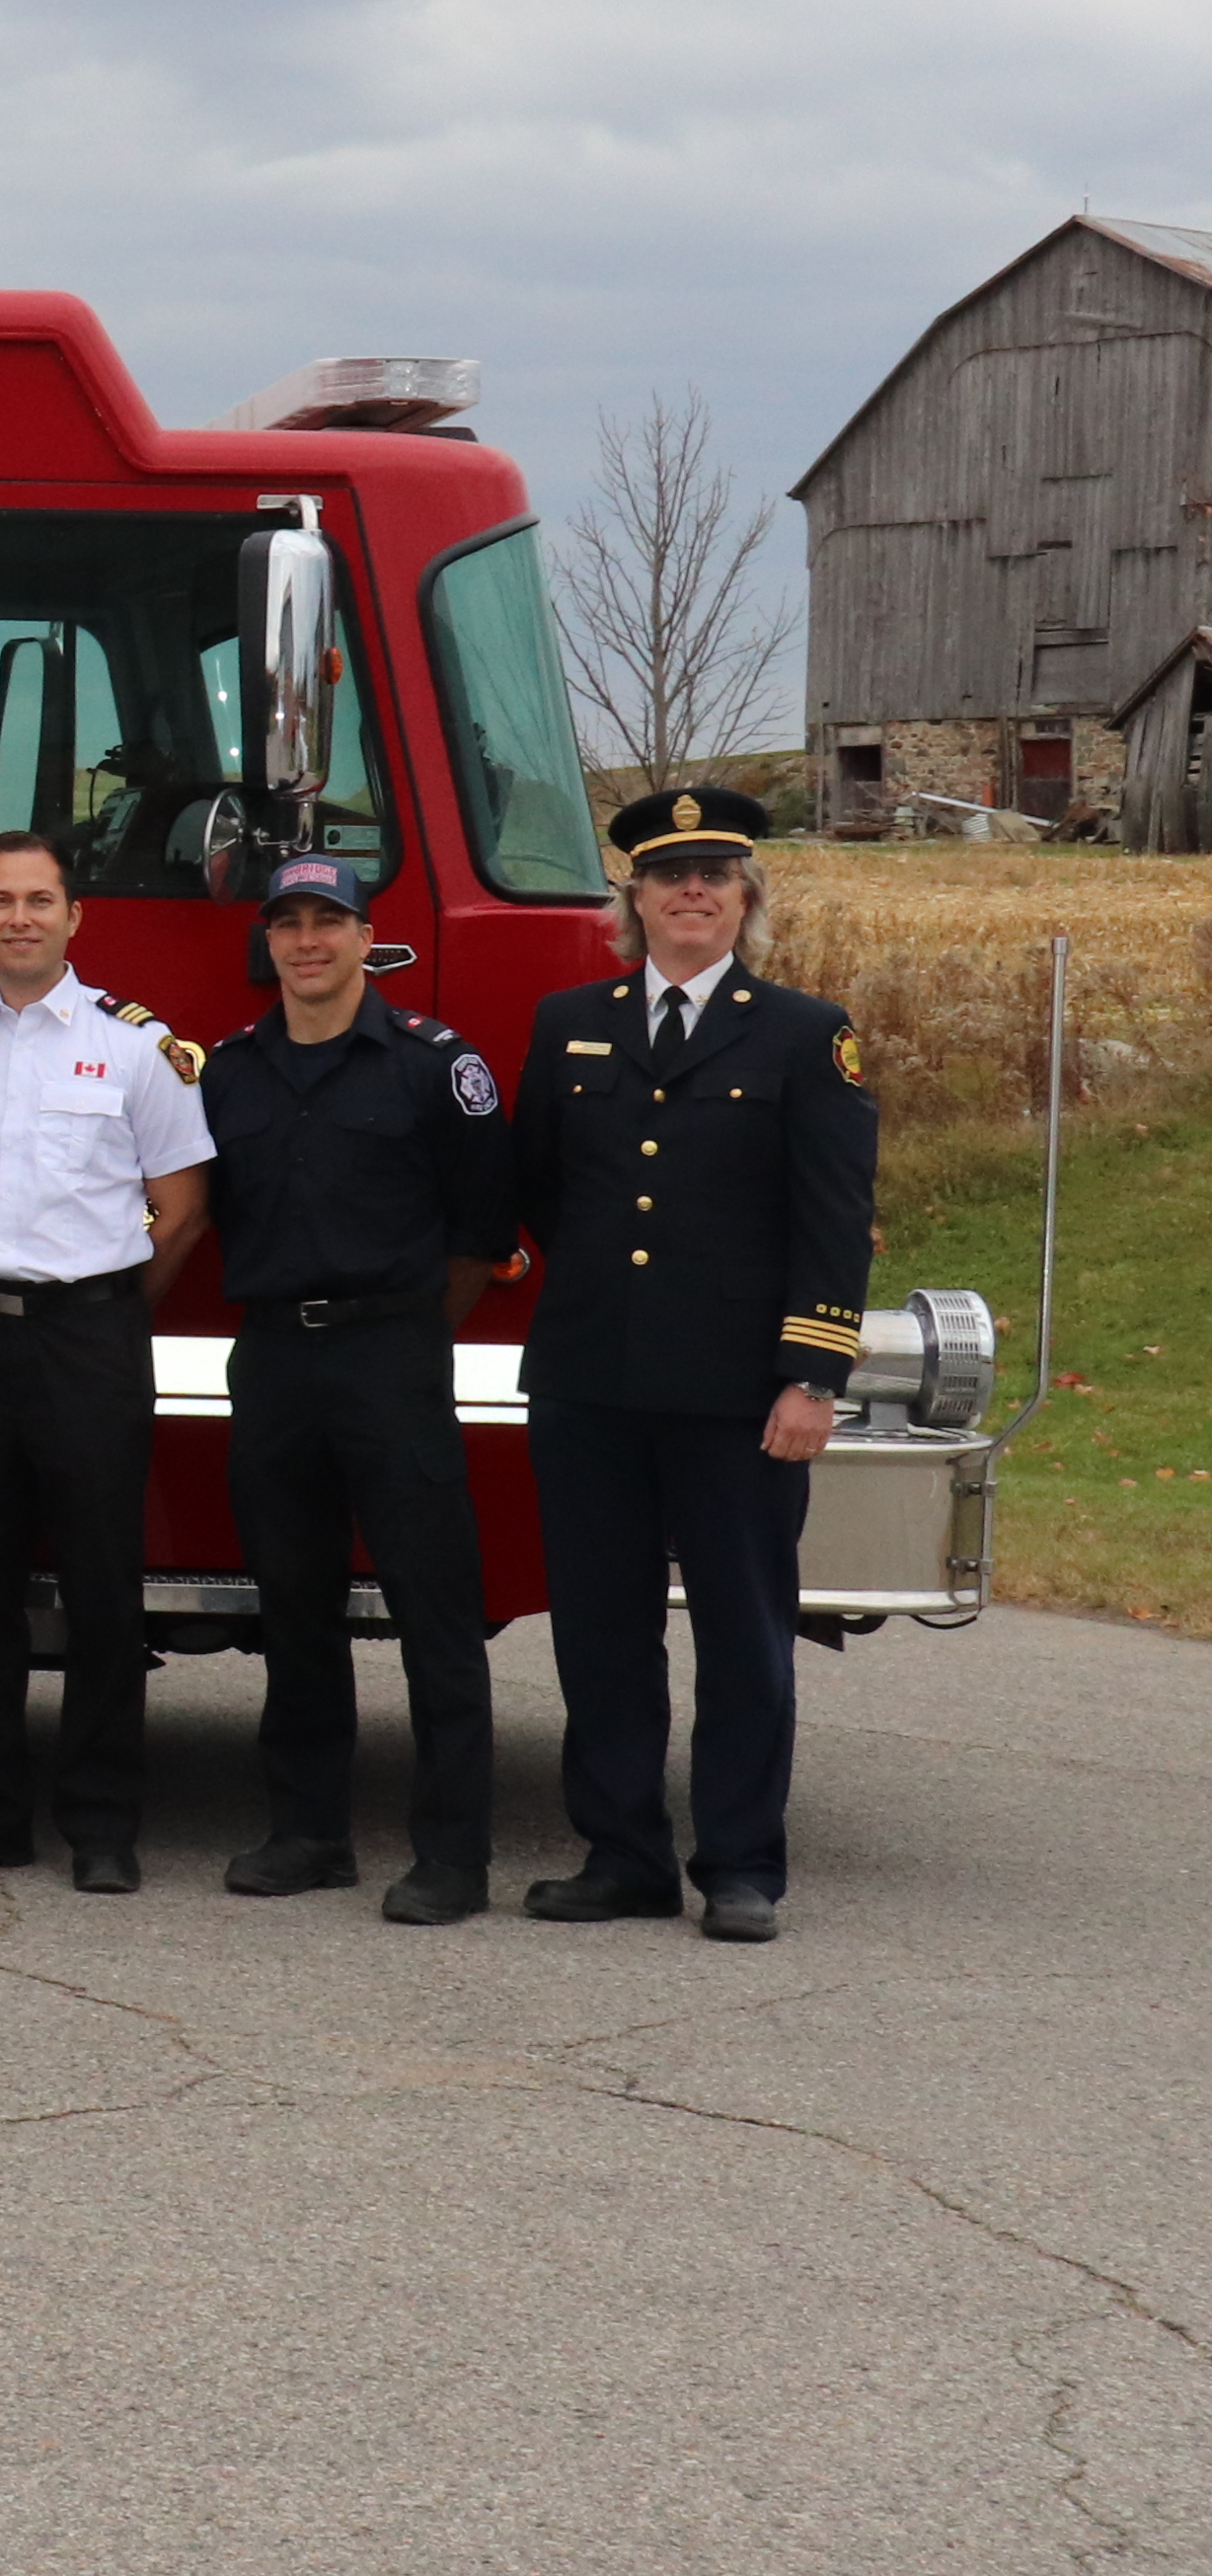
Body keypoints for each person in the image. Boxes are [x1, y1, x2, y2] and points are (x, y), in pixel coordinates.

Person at [512, 785, 873, 1943]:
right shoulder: (567, 1019)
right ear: (637, 897)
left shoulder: (806, 1033)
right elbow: (540, 1191)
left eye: (717, 876)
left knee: (743, 1633)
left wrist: (811, 1379)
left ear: (746, 900)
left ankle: (740, 1864)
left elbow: (833, 1221)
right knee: (601, 1631)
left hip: (737, 1399)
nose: (693, 893)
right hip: (590, 1385)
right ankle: (620, 1854)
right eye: (672, 876)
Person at [0, 830, 212, 1892]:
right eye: (0, 900)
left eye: (40, 900)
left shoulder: (128, 1050)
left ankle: (103, 1822)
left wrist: (107, 1306)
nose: (18, 917)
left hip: (89, 1338)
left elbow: (184, 1204)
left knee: (102, 1587)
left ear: (76, 917)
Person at [199, 849, 512, 1921]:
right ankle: (307, 1831)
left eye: (326, 922)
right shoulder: (233, 1070)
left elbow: (480, 1233)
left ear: (364, 937)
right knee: (292, 1606)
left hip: (392, 1356)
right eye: (287, 924)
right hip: (277, 1358)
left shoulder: (435, 1067)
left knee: (435, 1609)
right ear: (269, 942)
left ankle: (453, 1855)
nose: (307, 942)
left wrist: (413, 1336)